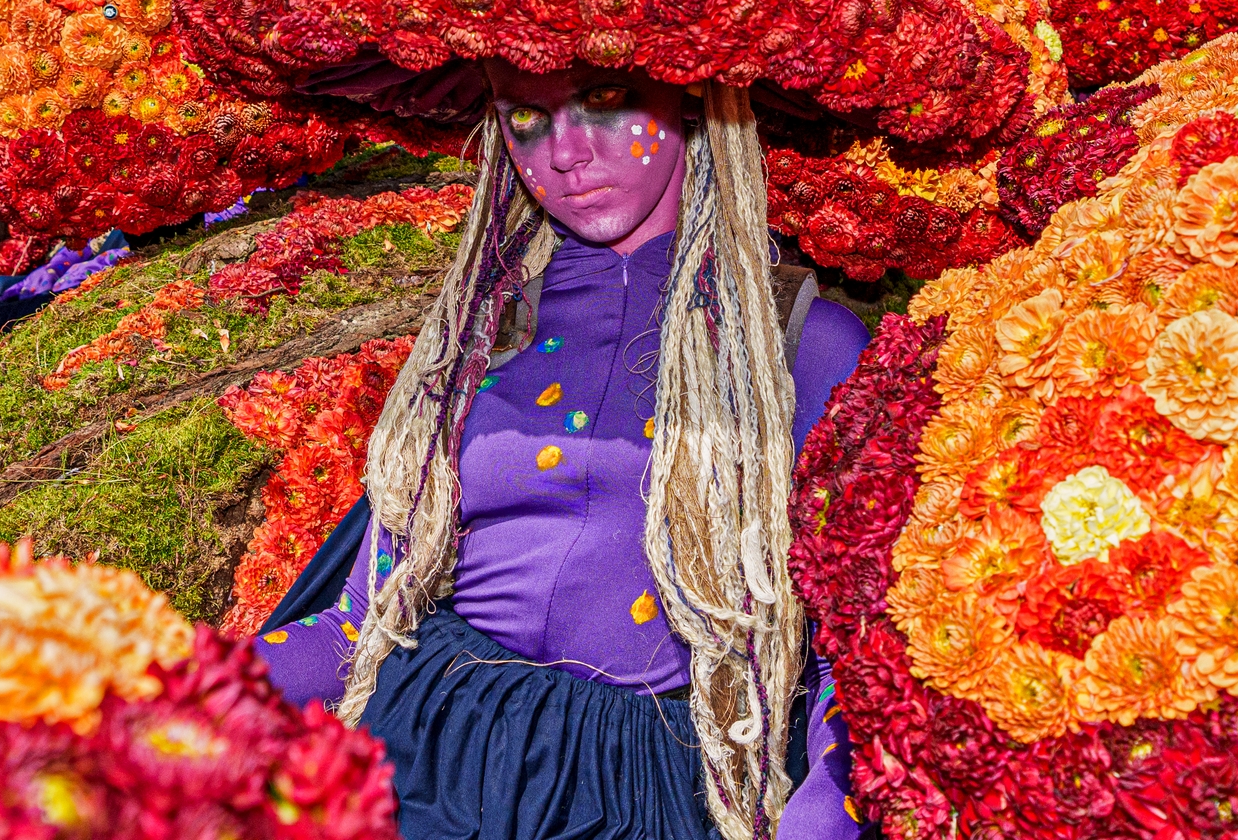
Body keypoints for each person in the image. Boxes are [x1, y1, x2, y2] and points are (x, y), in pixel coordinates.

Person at [255, 60, 872, 840]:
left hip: (648, 797)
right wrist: (171, 681)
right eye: (525, 117)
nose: (566, 154)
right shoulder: (479, 326)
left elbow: (848, 655)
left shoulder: (801, 343)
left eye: (605, 101)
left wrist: (822, 813)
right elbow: (360, 622)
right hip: (415, 752)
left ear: (692, 98)